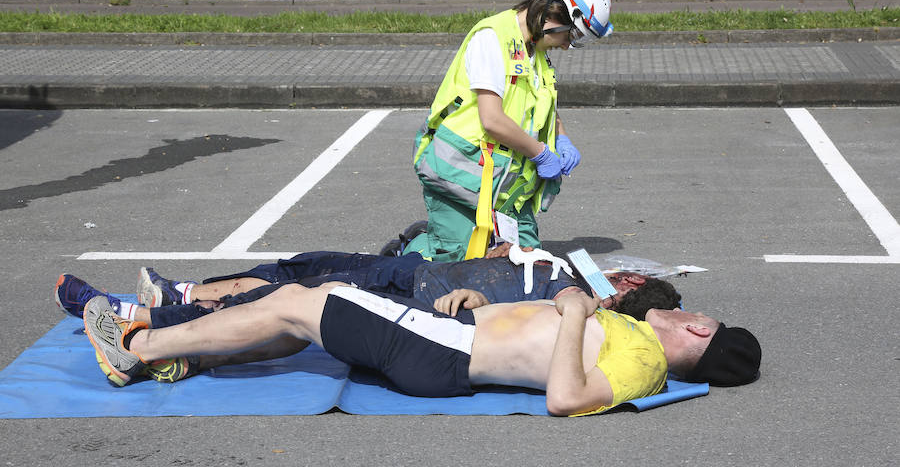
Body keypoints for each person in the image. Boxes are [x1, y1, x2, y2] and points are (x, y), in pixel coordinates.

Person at [80, 283, 761, 416]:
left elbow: (564, 397)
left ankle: (138, 349)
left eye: (698, 313)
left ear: (699, 333)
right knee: (306, 318)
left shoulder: (643, 366)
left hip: (445, 354)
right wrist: (480, 301)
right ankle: (187, 356)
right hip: (450, 338)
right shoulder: (638, 343)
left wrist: (578, 305)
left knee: (299, 300)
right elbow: (540, 341)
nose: (683, 308)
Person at [405, 0, 613, 262]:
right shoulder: (492, 38)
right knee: (456, 270)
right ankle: (412, 250)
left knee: (528, 268)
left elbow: (543, 109)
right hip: (461, 179)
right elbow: (492, 119)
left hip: (507, 193)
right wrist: (540, 152)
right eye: (572, 36)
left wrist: (562, 139)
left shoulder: (536, 52)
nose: (568, 46)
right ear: (554, 13)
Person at [54, 249, 681, 327]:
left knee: (289, 298)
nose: (618, 272)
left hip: (420, 297)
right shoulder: (569, 270)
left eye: (627, 279)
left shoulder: (573, 307)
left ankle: (145, 316)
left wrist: (481, 297)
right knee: (300, 266)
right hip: (417, 267)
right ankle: (183, 291)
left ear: (625, 293)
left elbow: (505, 312)